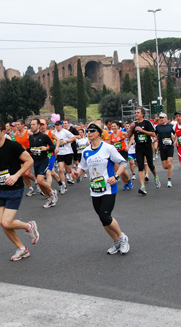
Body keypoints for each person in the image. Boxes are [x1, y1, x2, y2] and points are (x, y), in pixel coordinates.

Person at [70, 123, 130, 255]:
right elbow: (82, 167)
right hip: (95, 189)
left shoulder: (108, 148)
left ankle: (122, 237)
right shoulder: (86, 151)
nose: (89, 133)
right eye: (87, 131)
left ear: (98, 133)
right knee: (102, 219)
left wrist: (115, 176)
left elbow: (122, 162)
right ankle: (116, 242)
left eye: (91, 131)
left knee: (105, 215)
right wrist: (76, 173)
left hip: (108, 188)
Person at [0, 119, 39, 261]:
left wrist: (16, 176)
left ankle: (29, 226)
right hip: (0, 188)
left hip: (15, 188)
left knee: (7, 222)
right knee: (3, 222)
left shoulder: (13, 146)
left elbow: (29, 161)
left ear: (3, 132)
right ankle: (22, 248)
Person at [127, 107, 161, 195]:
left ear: (142, 114)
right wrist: (131, 129)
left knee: (150, 165)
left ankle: (155, 177)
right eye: (136, 112)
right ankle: (142, 186)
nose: (136, 114)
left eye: (138, 112)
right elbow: (128, 136)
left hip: (147, 147)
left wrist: (142, 130)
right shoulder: (134, 124)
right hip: (138, 148)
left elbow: (153, 134)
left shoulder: (147, 123)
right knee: (140, 166)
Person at [28, 119, 58, 208]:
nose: (32, 126)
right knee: (39, 182)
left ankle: (53, 192)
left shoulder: (44, 136)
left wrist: (46, 148)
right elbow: (31, 149)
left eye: (33, 124)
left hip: (44, 161)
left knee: (40, 180)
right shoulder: (30, 137)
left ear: (38, 126)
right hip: (36, 161)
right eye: (31, 124)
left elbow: (53, 146)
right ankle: (49, 199)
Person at [53, 121, 76, 194]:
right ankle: (63, 185)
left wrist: (67, 141)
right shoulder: (54, 133)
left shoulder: (65, 132)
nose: (57, 127)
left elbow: (74, 138)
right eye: (55, 125)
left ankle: (75, 172)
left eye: (58, 125)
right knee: (60, 169)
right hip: (60, 153)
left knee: (68, 170)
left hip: (67, 152)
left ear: (61, 125)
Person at [154, 113, 176, 188]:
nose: (161, 119)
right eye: (160, 118)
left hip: (170, 147)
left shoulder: (171, 126)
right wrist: (155, 138)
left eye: (163, 118)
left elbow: (175, 134)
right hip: (162, 147)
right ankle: (170, 169)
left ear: (166, 118)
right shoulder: (158, 127)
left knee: (169, 164)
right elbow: (155, 135)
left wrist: (174, 137)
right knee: (165, 166)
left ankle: (169, 181)